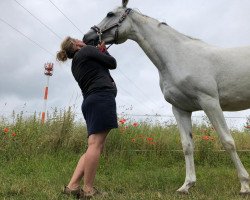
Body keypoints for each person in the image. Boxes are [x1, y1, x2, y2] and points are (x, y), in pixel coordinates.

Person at [56, 36, 118, 199]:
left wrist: (99, 51)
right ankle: (88, 190)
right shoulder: (87, 51)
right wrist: (103, 51)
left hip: (91, 101)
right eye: (78, 39)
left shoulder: (76, 62)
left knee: (94, 145)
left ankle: (73, 186)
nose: (82, 40)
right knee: (95, 145)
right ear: (76, 45)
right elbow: (112, 63)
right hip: (101, 98)